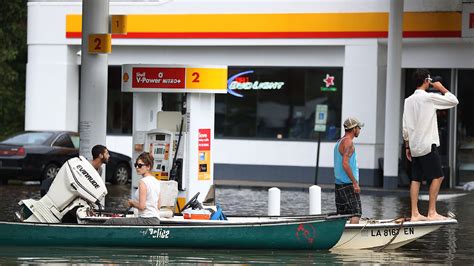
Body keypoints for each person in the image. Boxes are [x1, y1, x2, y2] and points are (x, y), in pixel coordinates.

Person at [402, 69, 458, 221]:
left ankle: (415, 214)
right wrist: (440, 87)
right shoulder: (429, 98)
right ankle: (431, 212)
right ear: (427, 80)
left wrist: (407, 146)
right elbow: (454, 101)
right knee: (438, 176)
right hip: (427, 144)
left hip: (414, 146)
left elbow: (405, 126)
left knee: (416, 179)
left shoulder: (408, 100)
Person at [105, 152, 161, 225]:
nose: (137, 167)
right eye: (136, 165)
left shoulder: (143, 182)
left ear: (148, 166)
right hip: (156, 220)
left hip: (146, 220)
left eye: (140, 165)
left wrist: (132, 203)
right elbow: (159, 206)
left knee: (111, 221)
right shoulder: (157, 182)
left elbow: (142, 206)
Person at [334, 117, 364, 224]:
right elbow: (345, 164)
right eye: (359, 127)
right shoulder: (348, 143)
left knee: (343, 215)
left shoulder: (340, 141)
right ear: (354, 129)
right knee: (356, 213)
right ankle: (352, 239)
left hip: (339, 185)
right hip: (348, 184)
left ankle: (342, 238)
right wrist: (355, 183)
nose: (360, 130)